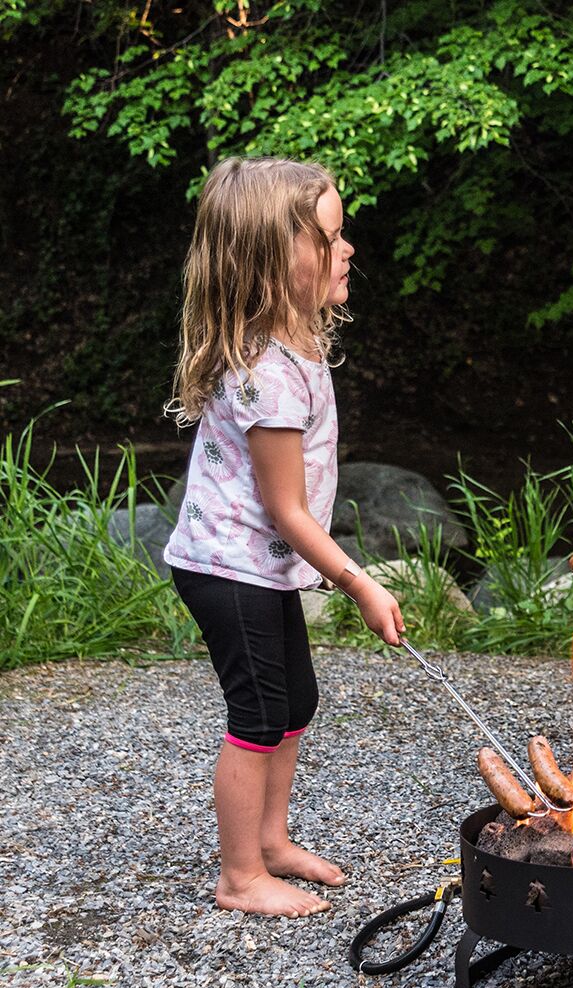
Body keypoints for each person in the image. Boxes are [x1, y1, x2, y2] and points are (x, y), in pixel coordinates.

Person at [163, 157, 405, 917]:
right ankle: (240, 876)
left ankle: (270, 842)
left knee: (295, 701)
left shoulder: (293, 344)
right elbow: (286, 511)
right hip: (227, 569)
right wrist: (360, 583)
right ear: (275, 263)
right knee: (259, 715)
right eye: (330, 238)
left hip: (254, 565)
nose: (348, 249)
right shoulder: (266, 374)